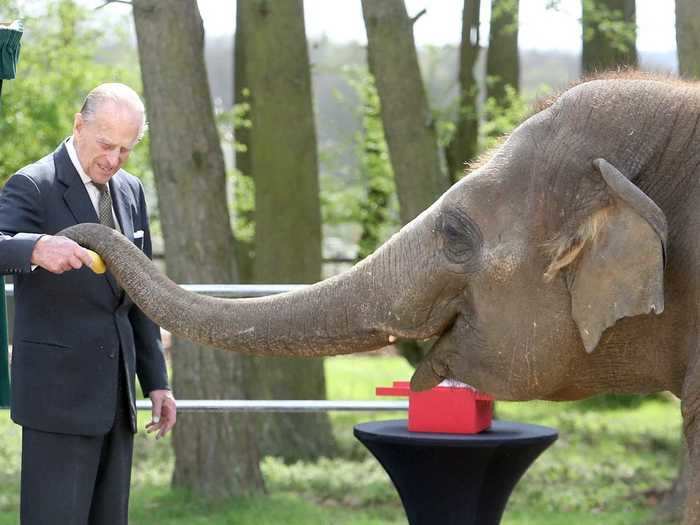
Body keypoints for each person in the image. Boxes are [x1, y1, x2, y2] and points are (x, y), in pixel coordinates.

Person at [0, 83, 176, 524]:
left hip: (117, 401)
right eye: (105, 145)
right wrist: (34, 248)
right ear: (79, 126)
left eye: (125, 149)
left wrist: (156, 381)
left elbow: (140, 293)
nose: (113, 160)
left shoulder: (132, 191)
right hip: (56, 402)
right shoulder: (33, 184)